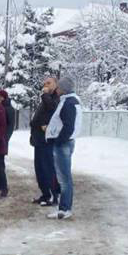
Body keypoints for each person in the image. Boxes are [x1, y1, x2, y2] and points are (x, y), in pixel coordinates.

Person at [45, 76, 80, 219]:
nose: (57, 89)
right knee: (65, 177)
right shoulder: (71, 100)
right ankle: (64, 208)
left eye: (59, 87)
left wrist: (58, 141)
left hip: (63, 144)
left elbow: (68, 126)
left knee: (64, 178)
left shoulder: (68, 103)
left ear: (64, 89)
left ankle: (64, 209)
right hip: (66, 142)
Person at [29, 77, 61, 206]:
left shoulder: (56, 98)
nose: (45, 85)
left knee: (48, 169)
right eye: (45, 83)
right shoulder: (46, 98)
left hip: (47, 140)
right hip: (39, 139)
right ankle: (45, 194)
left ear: (56, 84)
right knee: (40, 169)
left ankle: (53, 196)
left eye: (49, 83)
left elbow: (53, 108)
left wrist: (45, 94)